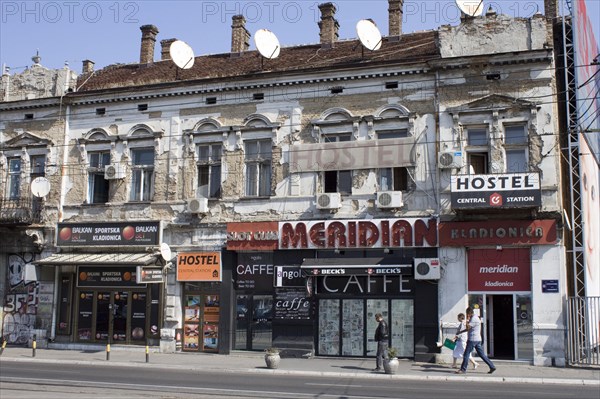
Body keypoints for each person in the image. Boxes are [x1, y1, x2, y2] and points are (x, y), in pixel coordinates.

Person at [455, 307, 496, 374]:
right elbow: (469, 329)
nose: (467, 315)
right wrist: (460, 332)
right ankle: (492, 366)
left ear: (469, 313)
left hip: (472, 339)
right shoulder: (475, 318)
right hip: (477, 339)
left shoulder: (474, 319)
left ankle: (463, 369)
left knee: (466, 354)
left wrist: (466, 321)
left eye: (467, 313)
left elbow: (468, 327)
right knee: (482, 354)